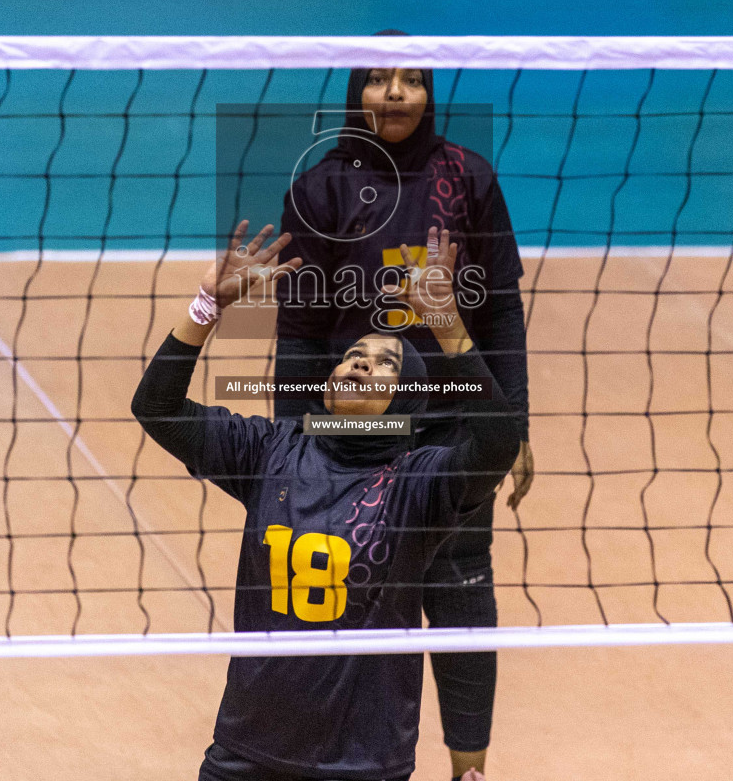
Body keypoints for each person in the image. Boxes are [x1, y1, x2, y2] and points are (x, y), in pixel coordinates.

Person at [132, 221, 523, 781]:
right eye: (354, 355)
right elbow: (158, 408)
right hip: (248, 752)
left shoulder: (420, 485)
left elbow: (497, 442)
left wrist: (447, 325)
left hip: (361, 764)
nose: (361, 362)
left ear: (406, 403)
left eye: (386, 363)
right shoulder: (271, 451)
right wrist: (205, 307)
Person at [273, 39, 529, 781]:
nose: (394, 94)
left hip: (451, 431)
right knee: (348, 610)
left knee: (459, 596)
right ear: (356, 89)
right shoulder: (321, 189)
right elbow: (299, 332)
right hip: (352, 435)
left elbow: (502, 316)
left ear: (429, 92)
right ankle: (338, 760)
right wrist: (293, 443)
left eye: (411, 80)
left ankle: (468, 770)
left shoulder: (466, 179)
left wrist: (513, 425)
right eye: (379, 79)